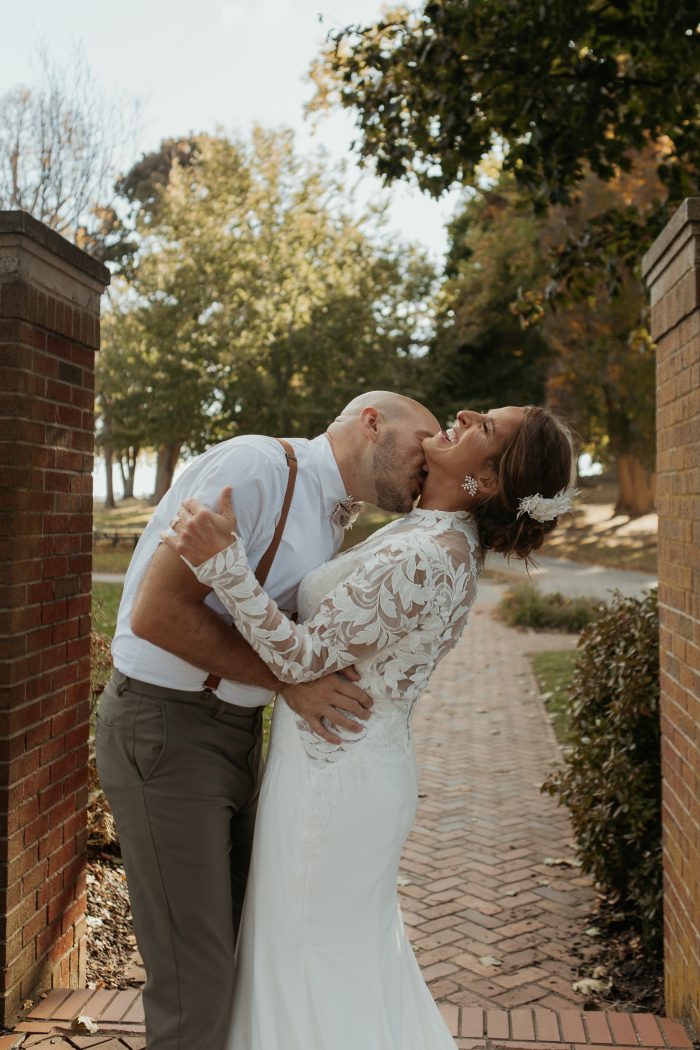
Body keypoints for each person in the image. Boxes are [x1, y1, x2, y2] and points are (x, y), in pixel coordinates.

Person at [163, 403, 577, 1050]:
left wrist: (225, 566)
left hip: (334, 782)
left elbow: (302, 660)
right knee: (319, 962)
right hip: (337, 764)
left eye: (486, 426)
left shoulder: (431, 555)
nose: (465, 413)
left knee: (313, 966)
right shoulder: (431, 533)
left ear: (489, 480)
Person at [94, 391, 440, 1050]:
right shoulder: (255, 469)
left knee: (246, 953)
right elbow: (156, 614)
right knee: (194, 986)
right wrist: (289, 682)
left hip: (235, 735)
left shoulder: (330, 511)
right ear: (372, 423)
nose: (432, 459)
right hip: (166, 730)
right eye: (425, 441)